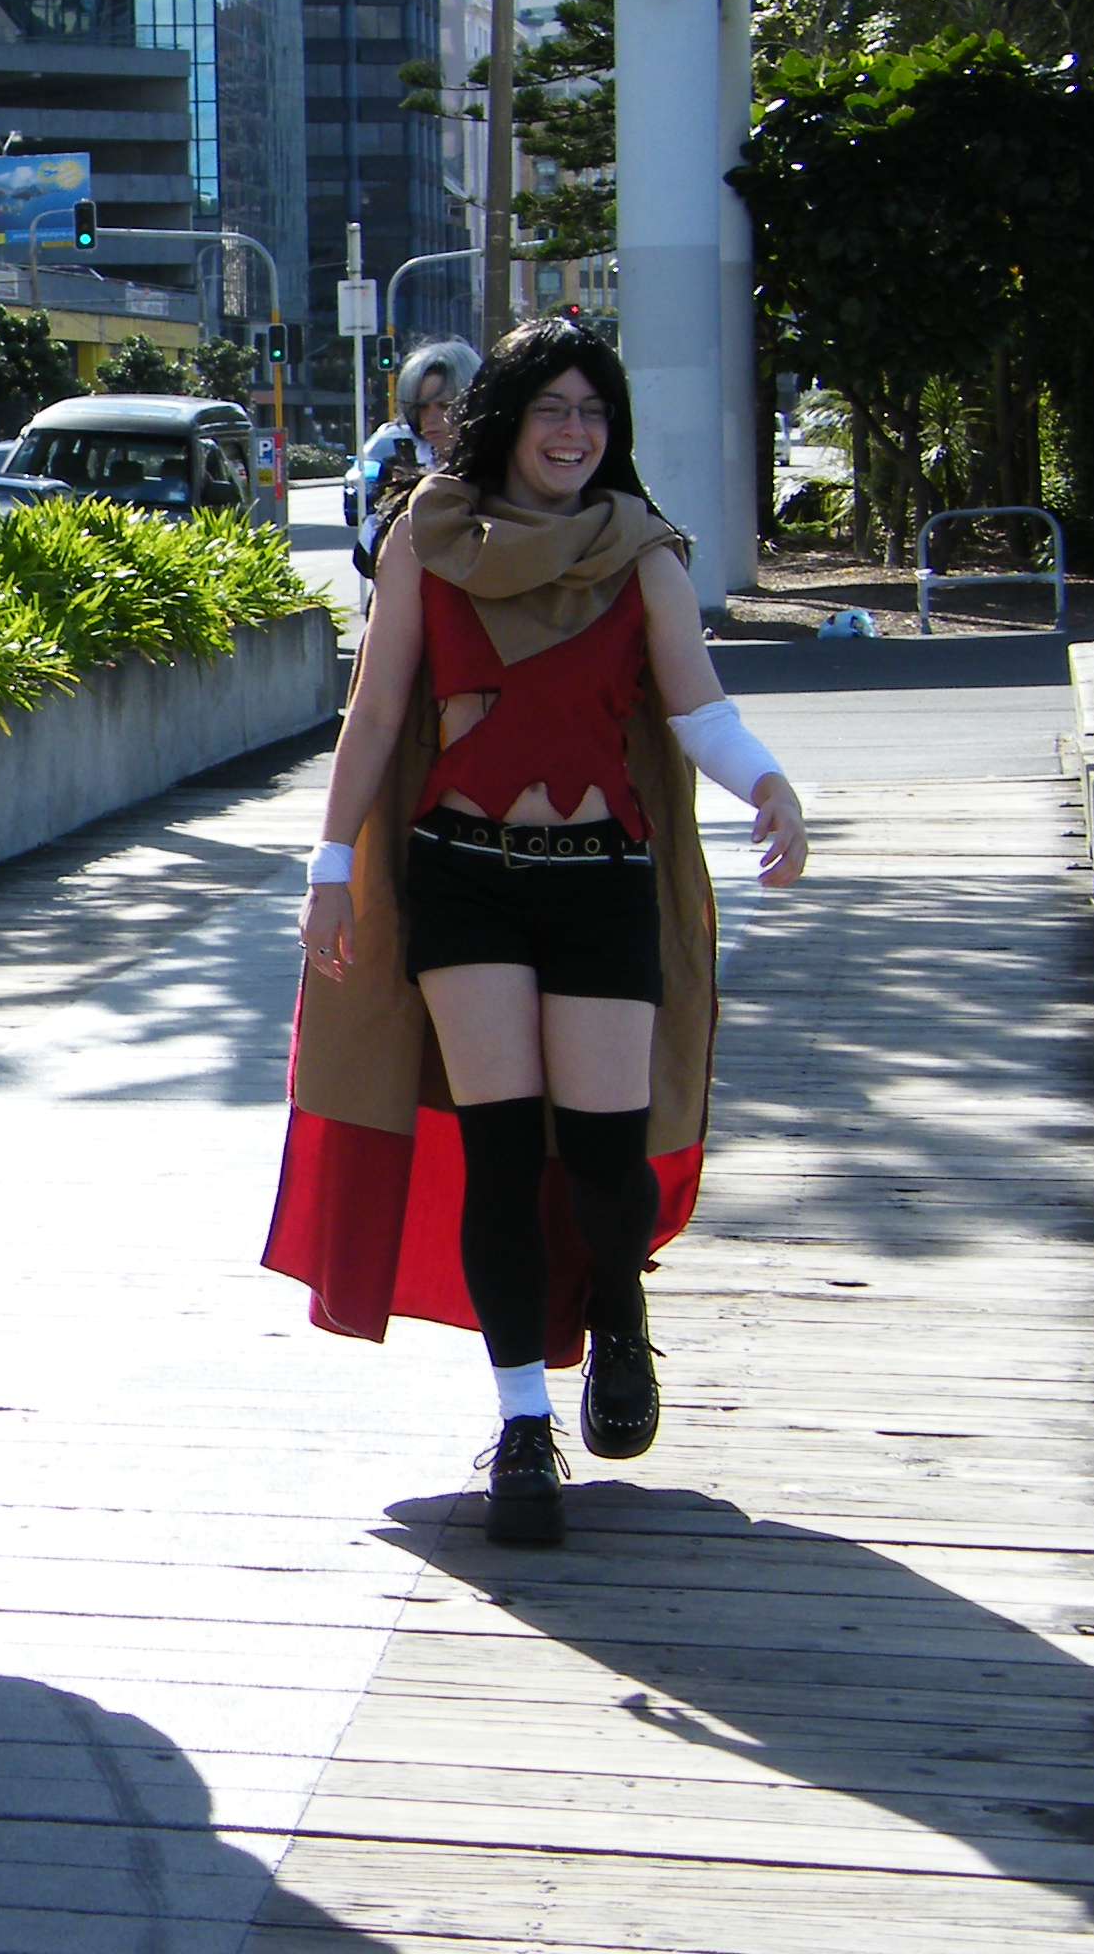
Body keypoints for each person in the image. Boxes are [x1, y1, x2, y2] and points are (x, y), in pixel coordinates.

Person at [267, 319, 810, 1548]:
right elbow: (375, 711)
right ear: (507, 419)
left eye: (594, 412)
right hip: (464, 878)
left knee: (606, 1163)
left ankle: (617, 1304)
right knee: (503, 1155)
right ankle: (522, 1424)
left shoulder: (642, 550)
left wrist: (770, 785)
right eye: (554, 408)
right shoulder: (430, 536)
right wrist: (330, 868)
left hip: (601, 881)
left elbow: (698, 712)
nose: (574, 432)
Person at [351, 339, 482, 581]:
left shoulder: (498, 472)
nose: (430, 418)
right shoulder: (407, 466)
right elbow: (365, 558)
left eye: (445, 406)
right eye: (422, 407)